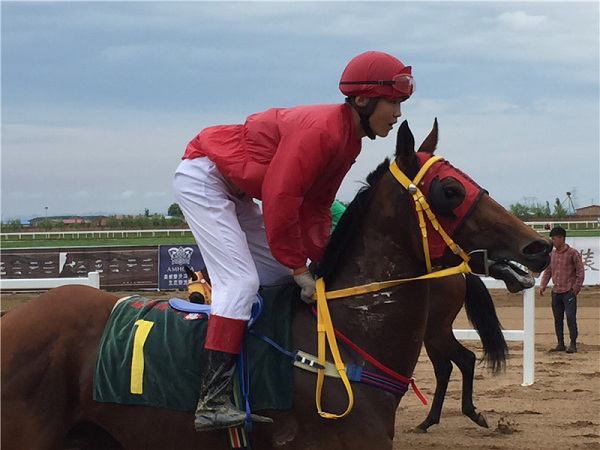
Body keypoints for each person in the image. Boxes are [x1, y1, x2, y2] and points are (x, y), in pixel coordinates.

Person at [173, 50, 415, 431]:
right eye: (395, 102)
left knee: (276, 274)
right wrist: (298, 262)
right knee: (241, 281)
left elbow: (317, 206)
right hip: (203, 175)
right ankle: (212, 400)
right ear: (364, 100)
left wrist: (320, 261)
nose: (398, 113)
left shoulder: (349, 140)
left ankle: (253, 367)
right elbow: (282, 197)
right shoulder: (322, 130)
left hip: (234, 188)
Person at [539, 226, 585, 353]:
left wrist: (576, 288)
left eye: (554, 239)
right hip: (556, 291)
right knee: (557, 318)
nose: (552, 241)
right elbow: (548, 271)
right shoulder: (551, 254)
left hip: (568, 291)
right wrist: (543, 284)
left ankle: (573, 343)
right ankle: (560, 343)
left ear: (561, 238)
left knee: (570, 317)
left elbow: (580, 271)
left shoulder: (572, 253)